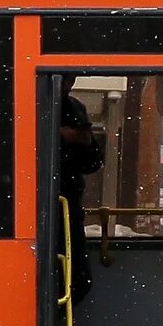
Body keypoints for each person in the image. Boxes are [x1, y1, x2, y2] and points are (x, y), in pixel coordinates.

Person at [54, 94, 105, 300]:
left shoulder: (75, 107)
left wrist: (86, 142)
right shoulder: (37, 102)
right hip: (42, 206)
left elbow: (92, 164)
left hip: (70, 208)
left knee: (79, 280)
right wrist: (60, 137)